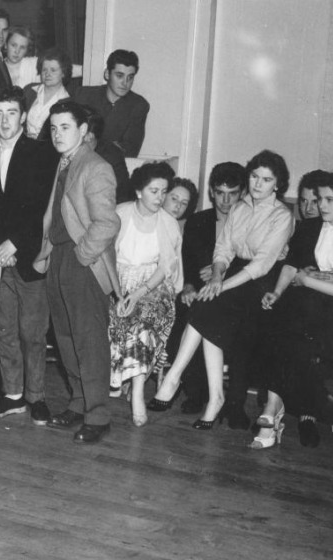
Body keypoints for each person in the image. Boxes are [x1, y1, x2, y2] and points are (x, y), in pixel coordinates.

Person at [149, 150, 295, 430]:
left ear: (277, 184)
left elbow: (263, 264)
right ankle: (213, 398)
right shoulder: (240, 208)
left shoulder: (281, 215)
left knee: (208, 307)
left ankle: (174, 377)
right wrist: (216, 276)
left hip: (259, 281)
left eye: (266, 179)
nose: (257, 184)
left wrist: (221, 286)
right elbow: (224, 248)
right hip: (233, 272)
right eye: (254, 176)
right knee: (208, 308)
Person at [252, 171, 333, 449]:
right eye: (319, 198)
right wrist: (277, 292)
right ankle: (274, 408)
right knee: (282, 321)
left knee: (301, 329)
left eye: (329, 199)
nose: (321, 205)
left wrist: (307, 280)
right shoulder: (309, 228)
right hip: (306, 305)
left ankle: (279, 411)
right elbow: (291, 265)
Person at [34, 100, 120, 444]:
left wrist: (82, 257)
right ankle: (79, 402)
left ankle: (98, 415)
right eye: (53, 128)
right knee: (66, 337)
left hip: (82, 262)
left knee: (89, 340)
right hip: (58, 258)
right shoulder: (64, 162)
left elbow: (107, 223)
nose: (57, 134)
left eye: (65, 127)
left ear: (83, 131)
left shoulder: (95, 166)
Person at [0, 87, 57, 423]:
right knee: (5, 331)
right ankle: (13, 395)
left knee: (33, 332)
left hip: (29, 257)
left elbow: (44, 208)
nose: (4, 120)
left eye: (11, 113)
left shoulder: (42, 154)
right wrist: (0, 247)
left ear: (23, 116)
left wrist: (17, 244)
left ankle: (36, 396)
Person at [167, 162, 245, 415]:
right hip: (199, 290)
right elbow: (188, 261)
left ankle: (231, 403)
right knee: (184, 310)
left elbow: (254, 265)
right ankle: (195, 392)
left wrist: (219, 273)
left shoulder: (247, 224)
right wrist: (188, 286)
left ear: (242, 193)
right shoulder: (198, 221)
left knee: (210, 316)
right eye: (220, 192)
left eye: (232, 193)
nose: (225, 200)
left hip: (234, 293)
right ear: (211, 192)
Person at [109, 162, 182, 426]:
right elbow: (107, 257)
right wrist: (119, 294)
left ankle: (138, 389)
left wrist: (139, 292)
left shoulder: (169, 223)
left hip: (153, 286)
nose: (160, 198)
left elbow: (165, 268)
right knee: (114, 316)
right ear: (139, 191)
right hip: (118, 282)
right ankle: (122, 381)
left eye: (164, 192)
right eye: (154, 191)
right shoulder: (120, 213)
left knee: (143, 319)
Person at [72, 49, 149, 157]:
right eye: (119, 75)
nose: (125, 83)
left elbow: (130, 150)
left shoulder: (138, 105)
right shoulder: (83, 95)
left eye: (130, 77)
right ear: (107, 74)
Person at [24, 48, 72, 139]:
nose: (47, 74)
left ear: (63, 73)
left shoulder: (67, 102)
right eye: (44, 70)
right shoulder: (29, 90)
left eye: (53, 70)